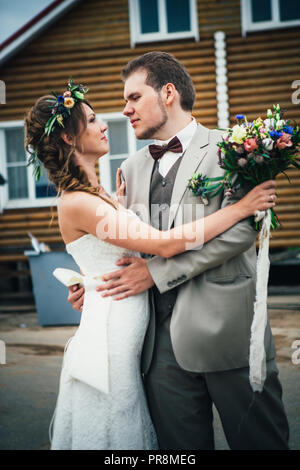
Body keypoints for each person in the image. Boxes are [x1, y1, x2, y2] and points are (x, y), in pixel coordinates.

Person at [25, 77, 278, 451]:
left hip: (206, 329)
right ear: (67, 137)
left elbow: (115, 245)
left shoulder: (109, 190)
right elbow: (163, 244)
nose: (109, 120)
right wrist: (240, 208)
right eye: (93, 120)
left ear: (169, 92)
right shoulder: (92, 193)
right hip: (132, 338)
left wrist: (90, 283)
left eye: (134, 97)